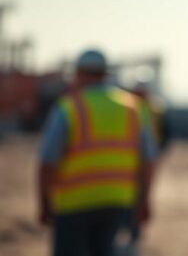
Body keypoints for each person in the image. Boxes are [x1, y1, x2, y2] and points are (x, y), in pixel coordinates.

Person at [37, 49, 158, 256]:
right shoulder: (132, 107)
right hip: (117, 200)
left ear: (78, 73)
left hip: (73, 202)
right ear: (105, 73)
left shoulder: (69, 107)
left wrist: (44, 202)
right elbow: (148, 160)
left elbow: (47, 161)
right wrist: (144, 199)